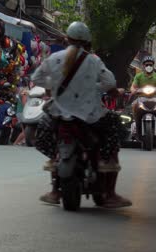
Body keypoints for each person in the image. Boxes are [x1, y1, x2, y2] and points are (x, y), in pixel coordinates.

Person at [31, 21, 132, 208]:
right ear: (87, 42)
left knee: (46, 135)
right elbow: (109, 82)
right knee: (114, 132)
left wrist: (52, 86)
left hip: (57, 114)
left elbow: (36, 78)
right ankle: (109, 192)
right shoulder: (94, 61)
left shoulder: (54, 58)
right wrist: (104, 89)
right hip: (90, 115)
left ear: (67, 39)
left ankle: (55, 185)